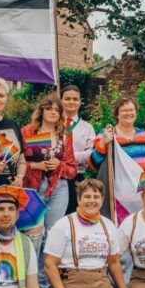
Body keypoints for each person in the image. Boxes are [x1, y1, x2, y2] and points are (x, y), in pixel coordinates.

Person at [43, 179, 134, 288]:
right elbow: (49, 265)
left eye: (96, 196)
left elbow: (113, 262)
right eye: (87, 196)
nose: (92, 200)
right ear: (79, 199)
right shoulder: (64, 225)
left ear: (102, 200)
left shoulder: (108, 225)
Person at [22, 93, 76, 288]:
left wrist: (59, 165)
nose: (53, 112)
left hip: (58, 188)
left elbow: (72, 170)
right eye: (50, 108)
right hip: (33, 187)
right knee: (34, 235)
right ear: (42, 110)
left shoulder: (64, 136)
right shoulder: (28, 132)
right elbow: (16, 162)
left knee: (51, 236)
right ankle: (29, 286)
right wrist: (36, 165)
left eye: (57, 110)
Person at [89, 97, 145, 219]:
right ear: (117, 114)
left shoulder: (143, 134)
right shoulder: (107, 133)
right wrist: (102, 143)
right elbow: (93, 164)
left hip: (141, 192)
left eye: (131, 110)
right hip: (118, 194)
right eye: (124, 110)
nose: (128, 113)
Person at [61, 84, 95, 214]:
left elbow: (90, 154)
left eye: (75, 99)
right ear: (61, 100)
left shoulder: (87, 128)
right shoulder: (54, 124)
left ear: (80, 102)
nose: (71, 102)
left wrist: (67, 157)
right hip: (55, 177)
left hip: (77, 177)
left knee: (74, 214)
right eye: (67, 98)